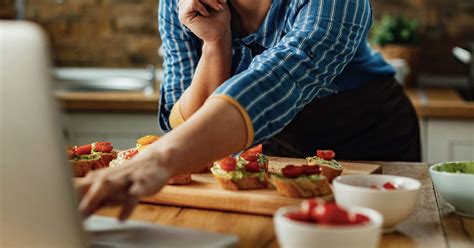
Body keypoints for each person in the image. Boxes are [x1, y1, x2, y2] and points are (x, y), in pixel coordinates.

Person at [78, 0, 420, 219]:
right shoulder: (177, 3)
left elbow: (279, 81)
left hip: (368, 134)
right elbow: (189, 140)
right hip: (267, 146)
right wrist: (215, 44)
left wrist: (158, 158)